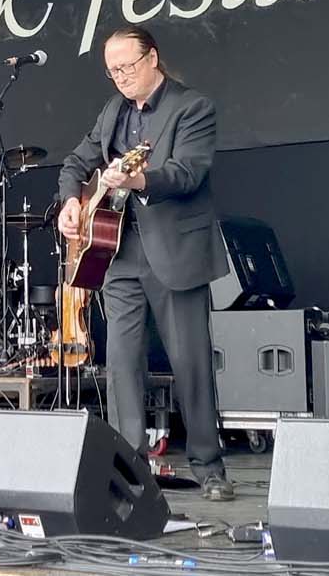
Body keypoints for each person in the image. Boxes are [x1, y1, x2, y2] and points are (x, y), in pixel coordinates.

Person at [56, 25, 234, 501]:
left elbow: (188, 173)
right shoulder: (112, 110)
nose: (120, 77)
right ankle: (128, 469)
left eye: (127, 67)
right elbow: (76, 162)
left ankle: (209, 466)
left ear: (152, 58)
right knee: (122, 363)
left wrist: (139, 181)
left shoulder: (192, 107)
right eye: (112, 71)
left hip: (174, 252)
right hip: (116, 250)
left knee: (191, 362)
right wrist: (70, 201)